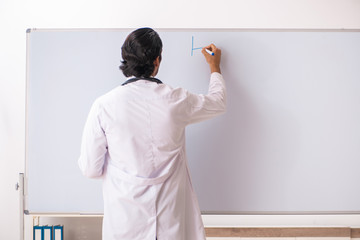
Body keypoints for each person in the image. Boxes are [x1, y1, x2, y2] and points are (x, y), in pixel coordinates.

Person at [78, 27, 226, 240]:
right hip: (170, 224)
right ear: (157, 60)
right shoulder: (176, 100)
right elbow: (218, 103)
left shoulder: (104, 106)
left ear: (125, 59)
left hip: (124, 226)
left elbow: (91, 169)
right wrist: (214, 67)